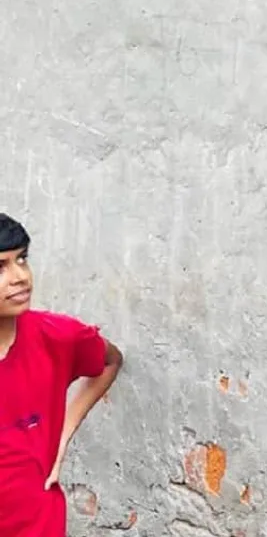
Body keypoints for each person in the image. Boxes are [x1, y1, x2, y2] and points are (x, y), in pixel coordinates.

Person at [0, 213, 125, 537]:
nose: (19, 277)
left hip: (38, 523)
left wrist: (61, 436)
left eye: (22, 260)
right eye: (0, 267)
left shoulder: (57, 337)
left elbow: (110, 361)